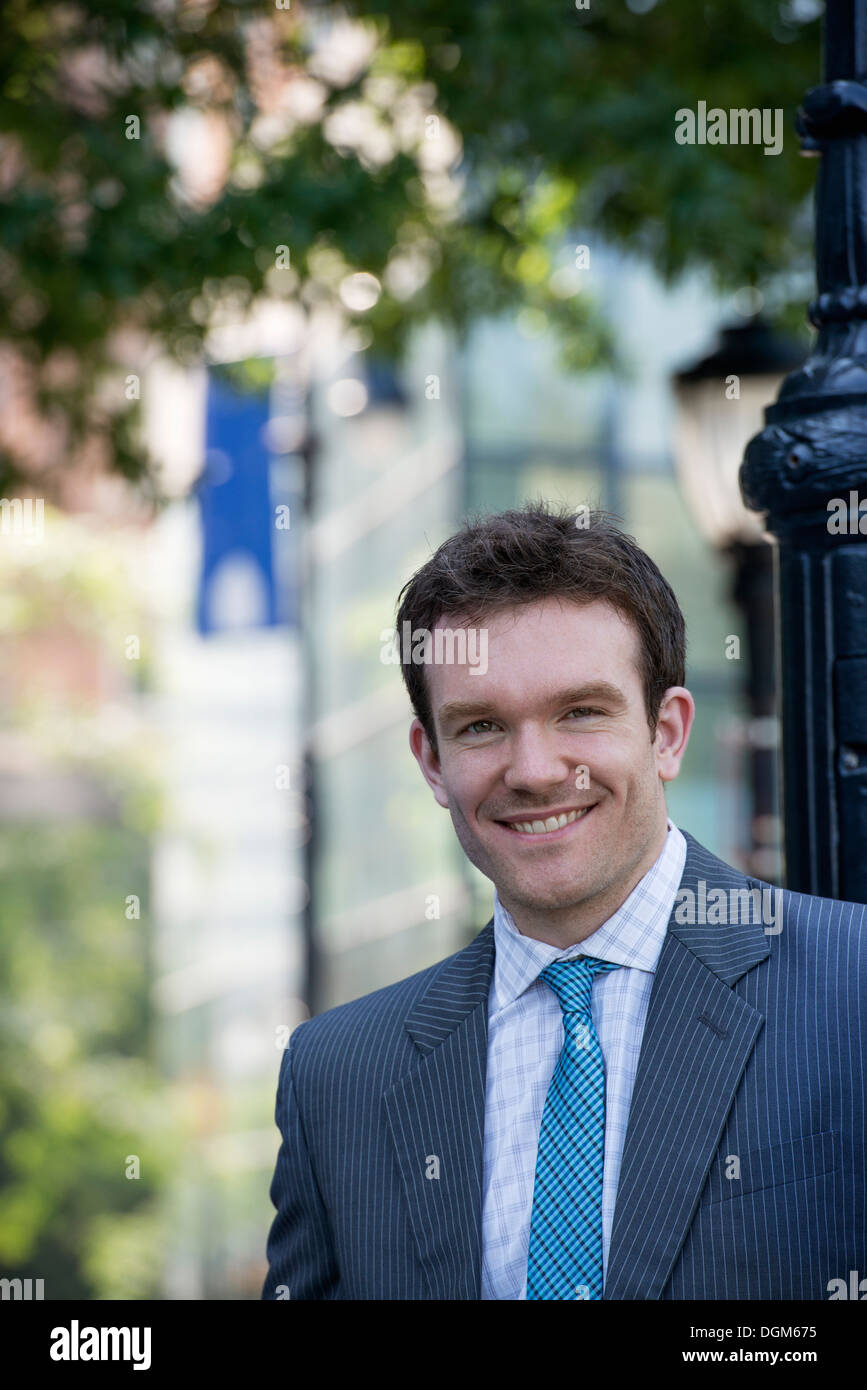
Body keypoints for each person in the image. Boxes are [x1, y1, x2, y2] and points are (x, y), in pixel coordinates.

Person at [262, 502, 866, 1300]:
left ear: (667, 732)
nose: (536, 770)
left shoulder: (849, 987)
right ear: (432, 762)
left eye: (579, 712)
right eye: (480, 726)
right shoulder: (336, 1078)